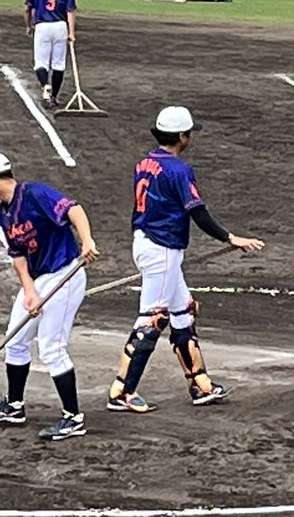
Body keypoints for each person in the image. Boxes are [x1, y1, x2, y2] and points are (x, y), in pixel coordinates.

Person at [106, 106, 265, 414]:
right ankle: (122, 392)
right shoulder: (179, 170)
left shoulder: (145, 162)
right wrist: (230, 238)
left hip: (148, 243)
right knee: (153, 319)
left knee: (183, 313)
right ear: (182, 136)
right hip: (161, 249)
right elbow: (197, 212)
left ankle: (200, 385)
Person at [0, 151, 100, 442]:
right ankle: (14, 406)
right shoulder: (3, 212)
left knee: (52, 348)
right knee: (15, 340)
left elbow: (74, 211)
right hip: (40, 279)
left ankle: (73, 418)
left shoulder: (36, 193)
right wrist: (29, 292)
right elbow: (18, 256)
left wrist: (87, 240)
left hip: (65, 274)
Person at [24, 0, 77, 109]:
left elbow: (27, 8)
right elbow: (70, 11)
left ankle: (45, 85)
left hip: (42, 26)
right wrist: (71, 32)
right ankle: (54, 97)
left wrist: (28, 26)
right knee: (59, 64)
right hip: (60, 26)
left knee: (41, 62)